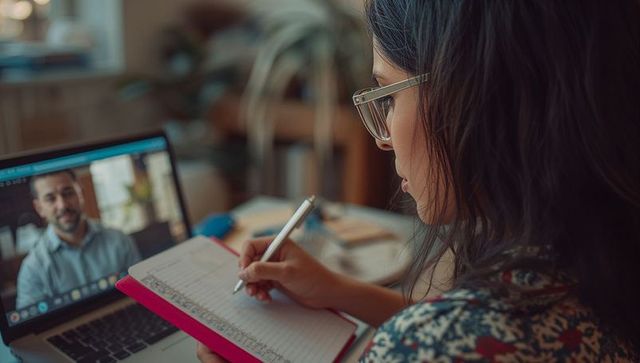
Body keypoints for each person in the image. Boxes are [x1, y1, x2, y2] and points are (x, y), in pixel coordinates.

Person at [198, 0, 640, 361]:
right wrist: (340, 292)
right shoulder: (593, 256)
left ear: (473, 94)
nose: (383, 139)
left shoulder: (433, 344)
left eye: (388, 95)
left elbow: (445, 340)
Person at [16, 170, 141, 309]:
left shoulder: (120, 241)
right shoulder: (32, 268)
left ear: (80, 193)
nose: (62, 205)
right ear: (39, 208)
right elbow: (30, 326)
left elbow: (142, 293)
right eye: (51, 198)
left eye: (68, 193)